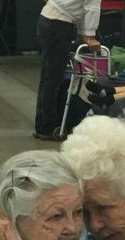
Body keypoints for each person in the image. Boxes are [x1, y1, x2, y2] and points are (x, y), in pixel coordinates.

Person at [33, 0, 101, 141]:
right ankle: (49, 127)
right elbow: (91, 8)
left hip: (47, 17)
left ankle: (42, 125)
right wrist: (89, 36)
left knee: (47, 77)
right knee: (53, 78)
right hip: (60, 23)